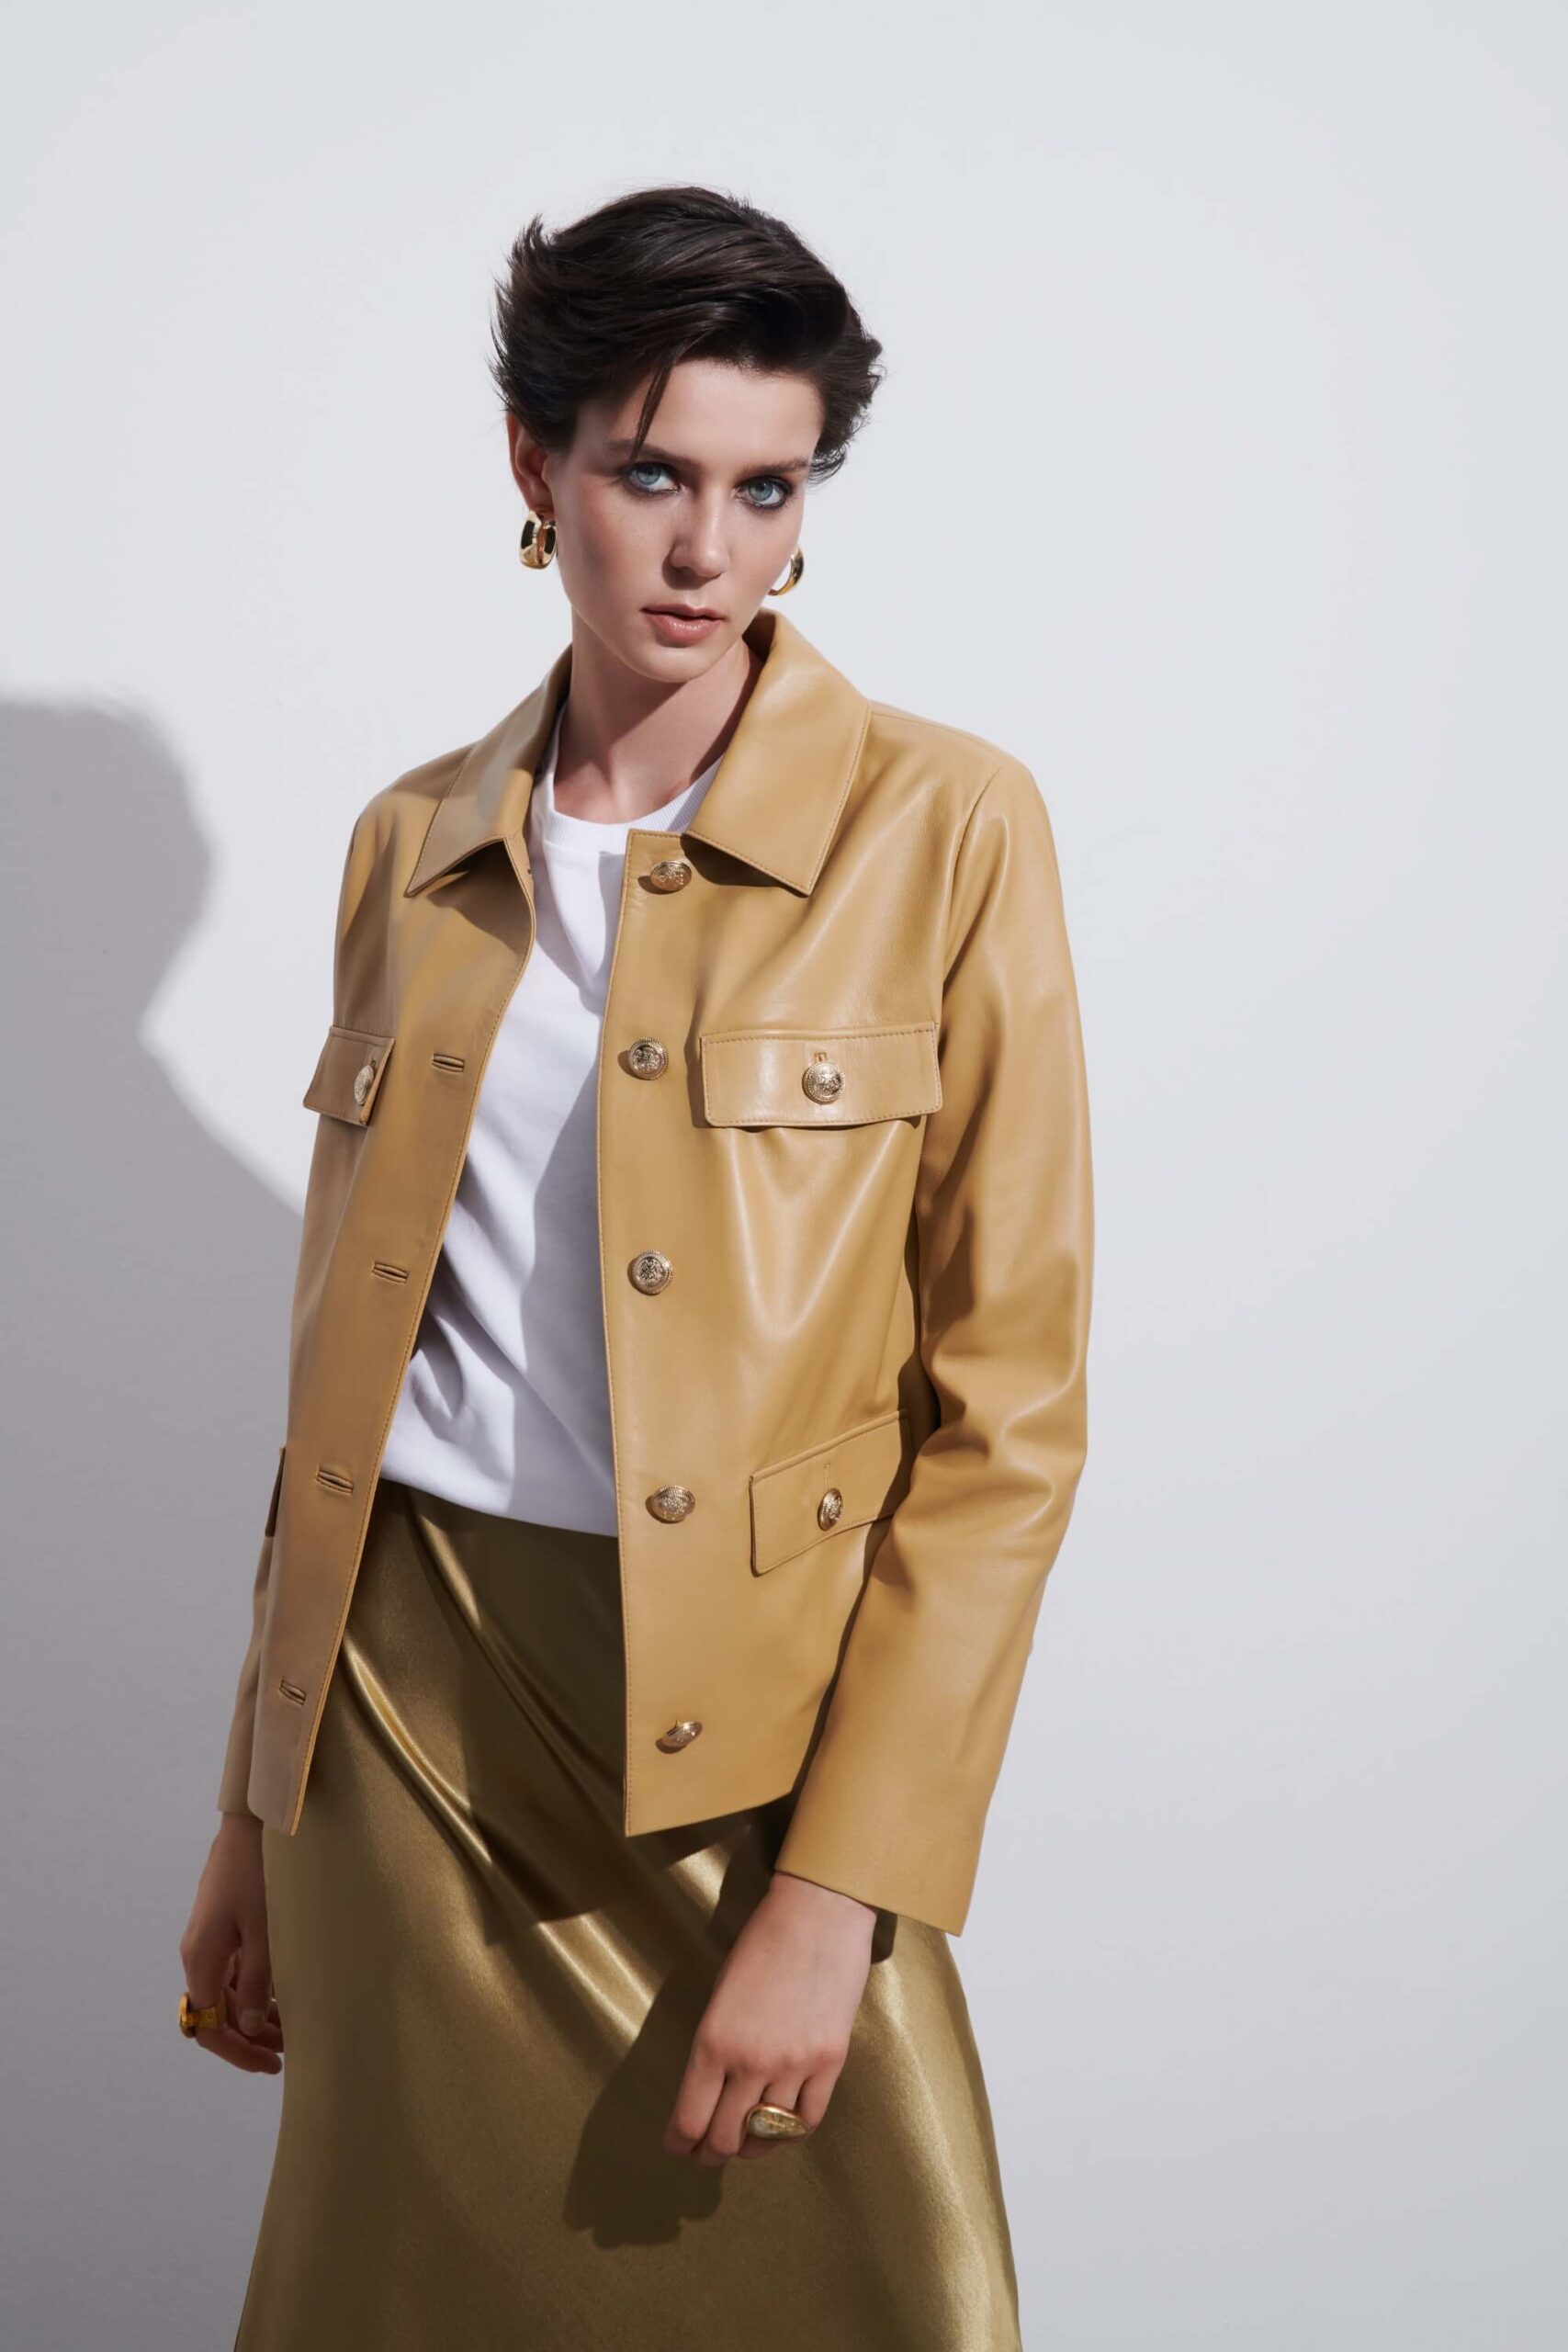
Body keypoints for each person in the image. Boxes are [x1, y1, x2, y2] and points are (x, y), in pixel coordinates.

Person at [179, 182, 1094, 2349]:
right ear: (536, 465)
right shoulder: (410, 844)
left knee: (897, 2291)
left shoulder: (944, 827)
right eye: (650, 473)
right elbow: (341, 1387)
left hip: (751, 1739)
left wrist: (838, 1889)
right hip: (402, 1717)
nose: (706, 549)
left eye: (765, 488)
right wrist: (249, 1806)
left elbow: (1007, 1423)